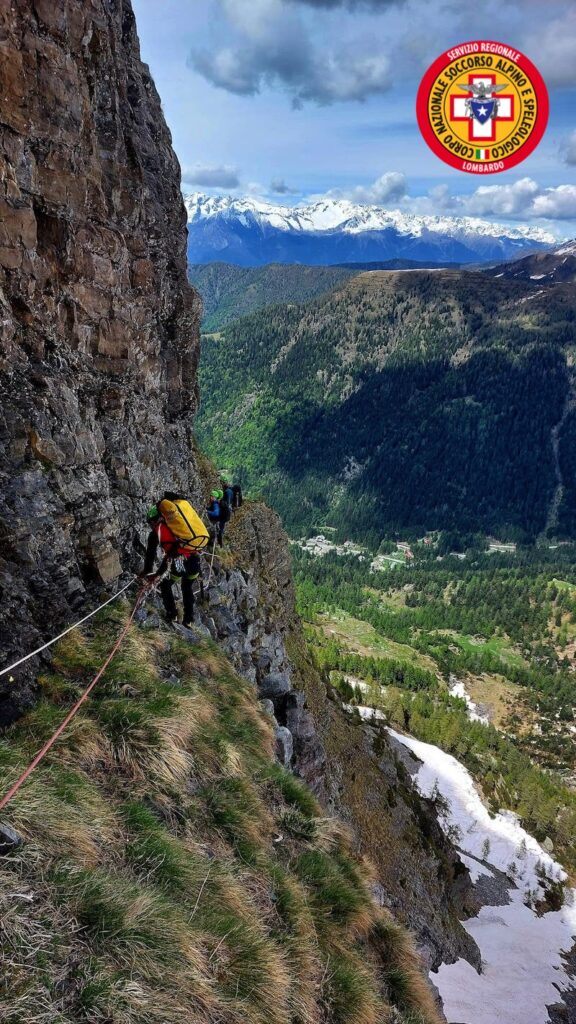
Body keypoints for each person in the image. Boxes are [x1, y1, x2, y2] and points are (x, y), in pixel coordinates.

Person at [141, 497, 206, 627]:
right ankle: (189, 620)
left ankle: (172, 614)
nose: (151, 525)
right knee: (187, 587)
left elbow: (150, 556)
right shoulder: (177, 528)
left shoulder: (155, 533)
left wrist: (149, 574)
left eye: (151, 522)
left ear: (154, 520)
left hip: (180, 562)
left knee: (165, 585)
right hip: (194, 560)